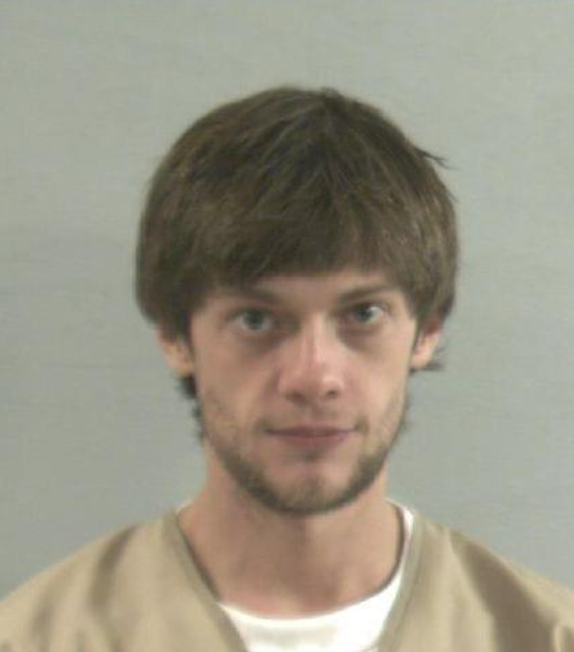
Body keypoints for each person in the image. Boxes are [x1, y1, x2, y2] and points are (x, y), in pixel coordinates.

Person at [1, 86, 573, 652]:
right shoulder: (35, 638)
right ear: (176, 336)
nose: (314, 377)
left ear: (427, 330)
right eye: (256, 320)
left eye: (363, 314)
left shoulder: (543, 635)